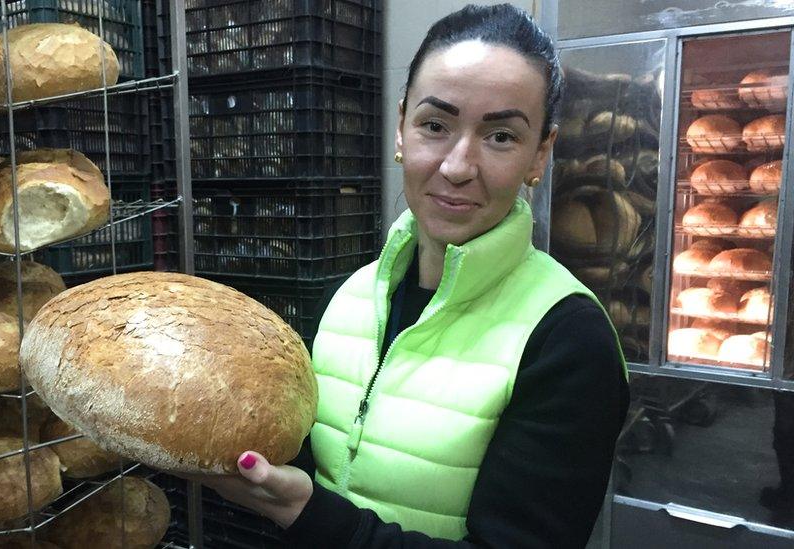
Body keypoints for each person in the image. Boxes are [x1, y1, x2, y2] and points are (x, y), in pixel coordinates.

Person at [193, 4, 629, 547]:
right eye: (435, 125)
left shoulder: (567, 338)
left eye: (500, 137)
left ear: (540, 154)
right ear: (401, 129)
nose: (457, 166)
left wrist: (308, 514)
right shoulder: (351, 297)